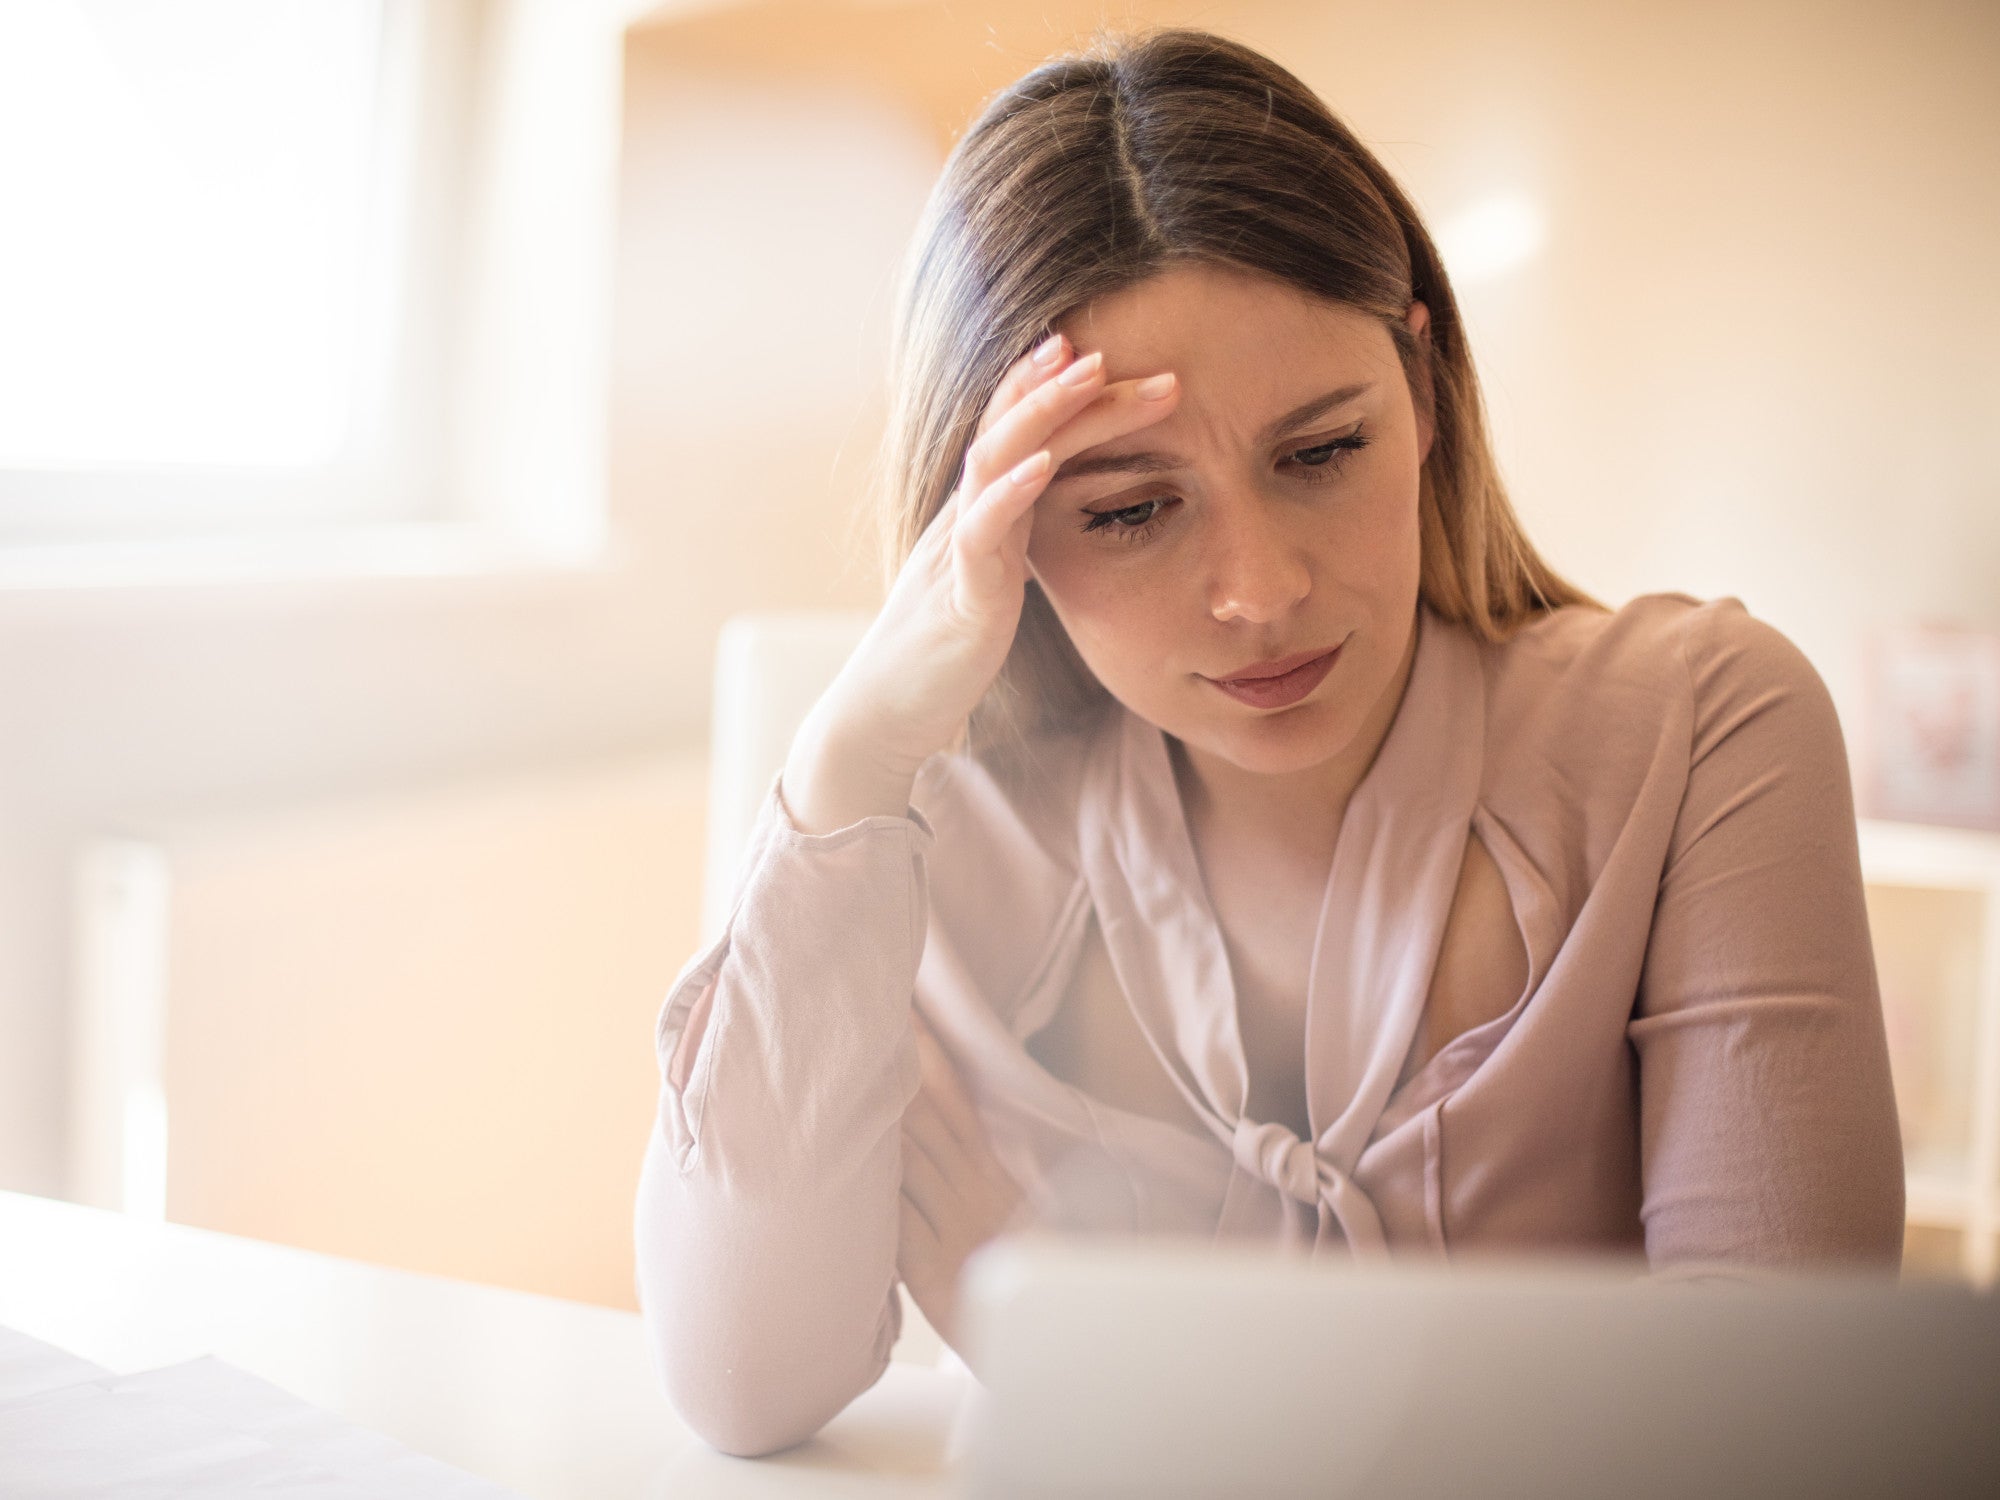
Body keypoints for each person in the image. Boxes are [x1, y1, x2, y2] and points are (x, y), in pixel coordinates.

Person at [632, 25, 1906, 1459]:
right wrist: (854, 755)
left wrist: (1116, 1368)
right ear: (991, 521)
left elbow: (1786, 1441)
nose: (1263, 593)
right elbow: (746, 1385)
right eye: (1127, 510)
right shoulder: (923, 837)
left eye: (1320, 453)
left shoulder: (1705, 727)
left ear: (1421, 391)